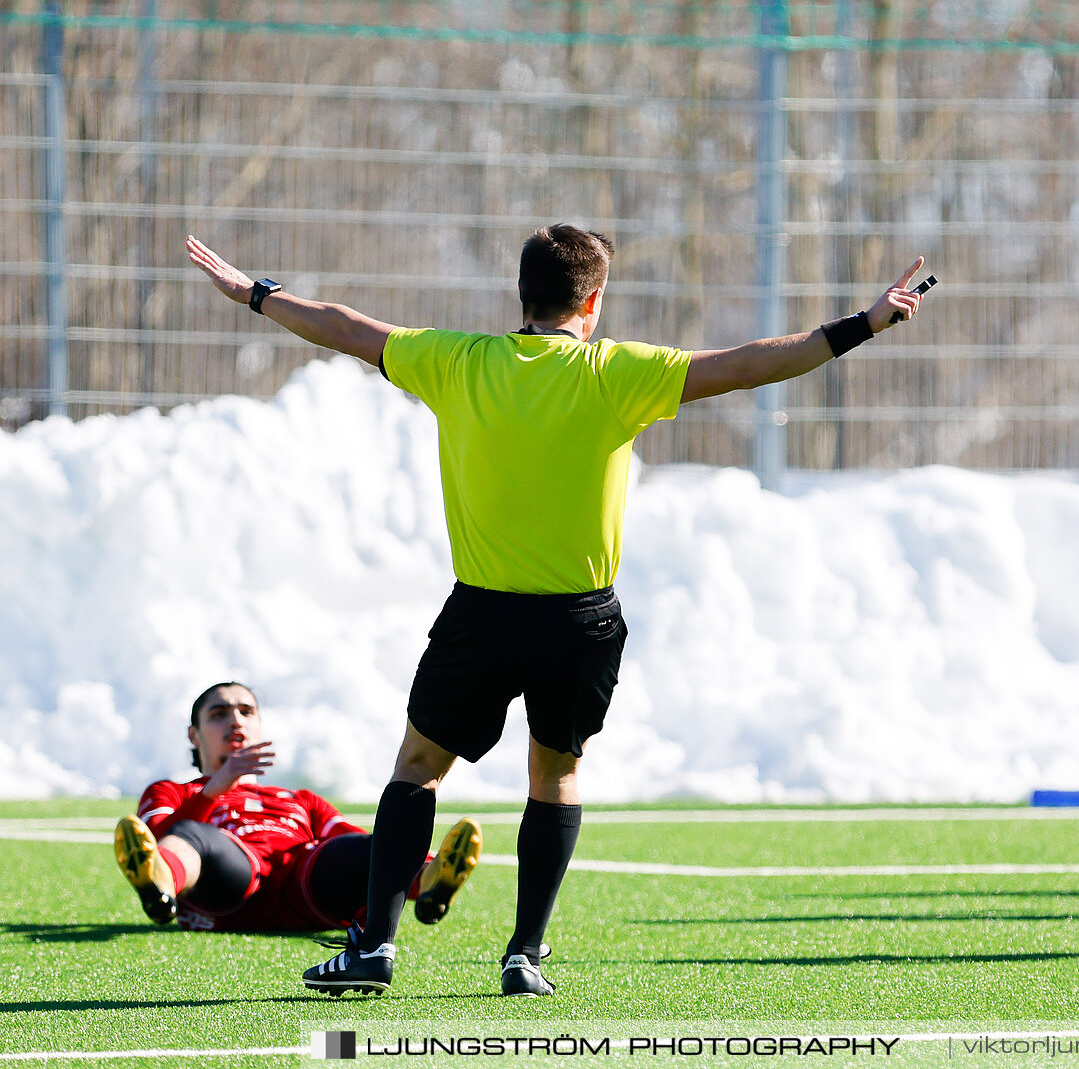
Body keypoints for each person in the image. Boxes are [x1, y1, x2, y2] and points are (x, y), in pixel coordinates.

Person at [185, 225, 928, 997]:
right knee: (556, 775)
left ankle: (374, 946)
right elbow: (751, 365)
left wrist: (258, 295)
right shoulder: (618, 373)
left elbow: (341, 323)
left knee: (417, 769)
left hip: (481, 617)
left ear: (521, 295)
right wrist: (866, 323)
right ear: (593, 301)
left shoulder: (458, 362)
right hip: (580, 622)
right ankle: (523, 955)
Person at [114, 681, 481, 934]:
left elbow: (348, 840)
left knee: (366, 847)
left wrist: (388, 855)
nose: (236, 720)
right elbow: (159, 836)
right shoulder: (171, 791)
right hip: (231, 884)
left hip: (308, 887)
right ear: (193, 734)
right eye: (219, 714)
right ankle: (160, 885)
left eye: (246, 711)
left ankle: (430, 878)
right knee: (193, 836)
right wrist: (216, 787)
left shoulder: (300, 800)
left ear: (259, 724)